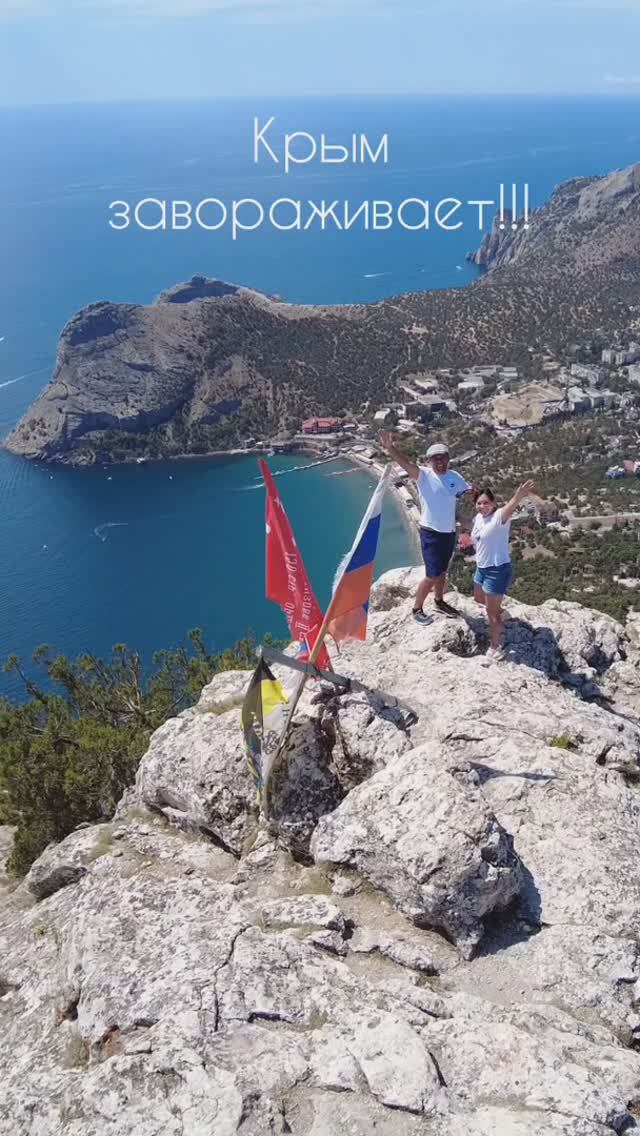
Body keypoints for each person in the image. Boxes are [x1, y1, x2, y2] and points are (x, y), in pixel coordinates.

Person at [379, 432, 475, 623]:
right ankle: (417, 609)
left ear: (448, 458)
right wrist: (390, 448)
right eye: (435, 459)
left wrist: (473, 510)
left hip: (449, 532)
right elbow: (406, 464)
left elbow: (467, 494)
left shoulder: (455, 477)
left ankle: (439, 601)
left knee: (442, 572)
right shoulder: (423, 475)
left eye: (443, 458)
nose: (440, 462)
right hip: (431, 533)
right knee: (431, 575)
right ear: (429, 461)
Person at [471, 479, 535, 660]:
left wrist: (519, 495)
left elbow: (512, 505)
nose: (482, 506)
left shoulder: (499, 517)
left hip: (497, 570)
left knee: (491, 614)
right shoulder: (478, 518)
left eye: (486, 502)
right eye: (479, 503)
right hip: (481, 567)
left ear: (493, 503)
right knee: (478, 598)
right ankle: (500, 612)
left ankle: (496, 646)